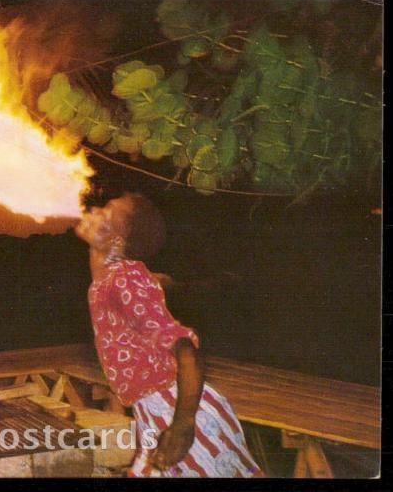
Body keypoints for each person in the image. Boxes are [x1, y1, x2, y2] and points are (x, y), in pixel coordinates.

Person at [75, 193, 263, 477]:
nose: (95, 210)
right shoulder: (114, 278)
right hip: (153, 413)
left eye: (107, 212)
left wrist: (183, 427)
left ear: (117, 239)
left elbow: (186, 348)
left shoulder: (124, 277)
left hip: (177, 414)